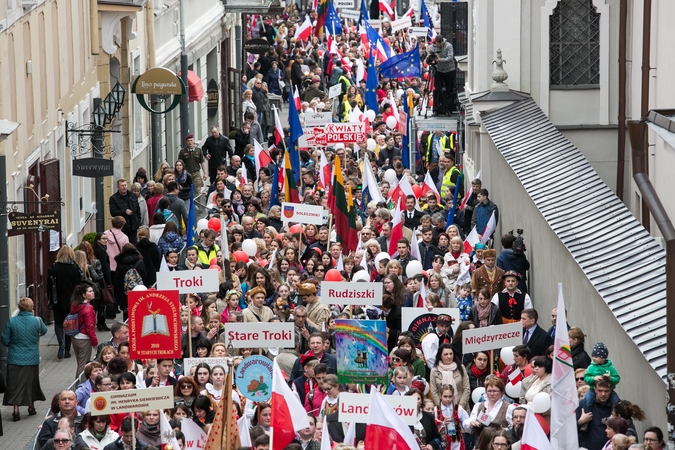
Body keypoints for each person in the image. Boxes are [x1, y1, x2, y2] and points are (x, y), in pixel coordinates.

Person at [1, 296, 46, 421]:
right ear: (31, 308)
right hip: (32, 357)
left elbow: (4, 339)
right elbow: (44, 331)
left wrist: (13, 344)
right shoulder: (37, 320)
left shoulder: (12, 321)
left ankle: (16, 410)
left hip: (14, 358)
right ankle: (31, 406)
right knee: (31, 382)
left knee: (15, 384)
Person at [48, 246, 83, 359]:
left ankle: (60, 344)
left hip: (57, 300)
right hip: (71, 301)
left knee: (58, 323)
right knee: (69, 324)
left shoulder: (54, 267)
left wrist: (49, 297)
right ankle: (67, 349)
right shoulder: (74, 268)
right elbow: (78, 285)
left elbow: (49, 285)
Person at [577, 375, 621, 450]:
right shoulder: (583, 405)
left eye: (606, 391)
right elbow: (569, 430)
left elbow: (627, 428)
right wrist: (580, 422)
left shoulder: (616, 407)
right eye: (600, 391)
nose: (603, 394)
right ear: (595, 390)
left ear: (610, 390)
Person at [69, 284, 99, 380]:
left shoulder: (75, 305)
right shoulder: (88, 308)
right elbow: (89, 327)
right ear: (83, 295)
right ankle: (80, 386)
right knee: (84, 366)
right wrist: (94, 342)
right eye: (89, 291)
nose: (92, 293)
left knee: (80, 363)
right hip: (84, 338)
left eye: (92, 291)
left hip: (75, 337)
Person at [429, 343, 470, 411]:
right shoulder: (434, 371)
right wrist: (441, 408)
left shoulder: (461, 368)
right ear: (440, 356)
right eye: (446, 354)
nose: (449, 356)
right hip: (442, 410)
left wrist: (460, 407)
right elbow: (434, 392)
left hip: (461, 407)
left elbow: (466, 389)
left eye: (451, 354)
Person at [426, 35, 456, 116]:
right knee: (437, 90)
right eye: (437, 44)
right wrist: (430, 58)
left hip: (449, 70)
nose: (438, 46)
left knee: (449, 90)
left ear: (442, 41)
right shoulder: (433, 47)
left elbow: (450, 57)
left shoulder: (448, 46)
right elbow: (429, 55)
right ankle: (436, 109)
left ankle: (448, 109)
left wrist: (440, 60)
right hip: (439, 70)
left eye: (440, 44)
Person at [109, 179, 141, 244]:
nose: (124, 187)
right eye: (122, 186)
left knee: (133, 246)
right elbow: (113, 212)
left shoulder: (132, 196)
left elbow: (138, 211)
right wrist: (124, 211)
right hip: (122, 228)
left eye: (125, 185)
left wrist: (138, 223)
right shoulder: (114, 198)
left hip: (133, 228)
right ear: (118, 187)